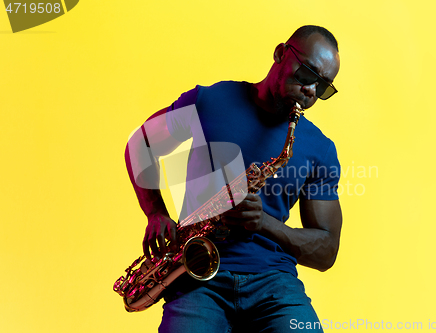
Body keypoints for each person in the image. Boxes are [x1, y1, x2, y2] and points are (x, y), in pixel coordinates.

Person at [125, 25, 343, 333]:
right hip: (196, 276)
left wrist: (264, 223)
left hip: (274, 284)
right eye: (308, 74)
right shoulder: (210, 100)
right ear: (281, 53)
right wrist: (155, 213)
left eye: (323, 87)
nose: (311, 91)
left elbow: (326, 250)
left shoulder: (319, 148)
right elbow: (142, 144)